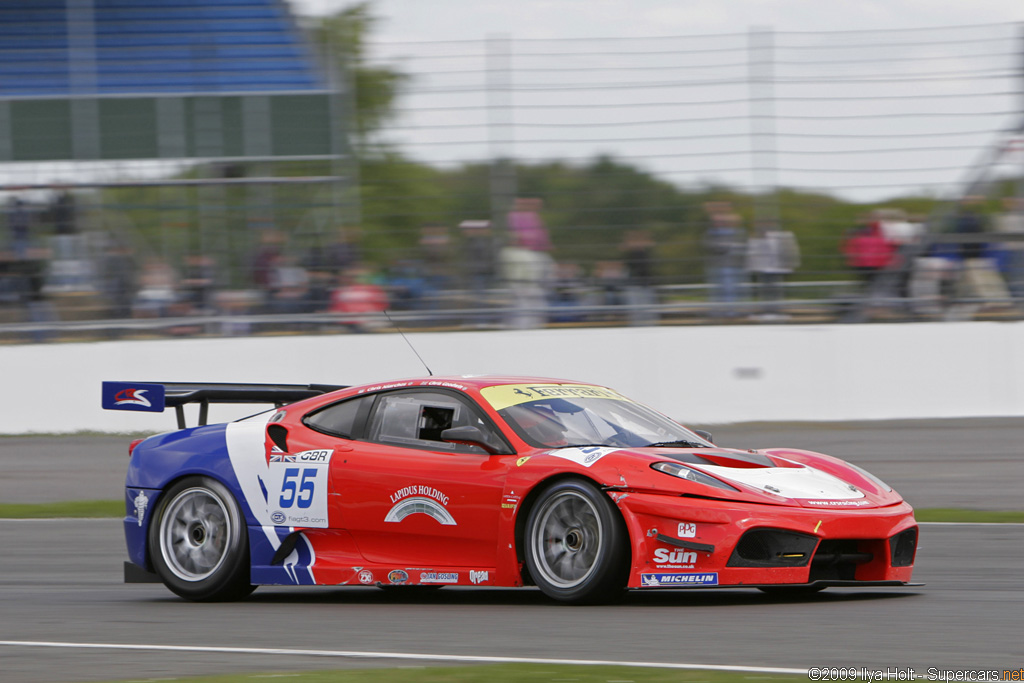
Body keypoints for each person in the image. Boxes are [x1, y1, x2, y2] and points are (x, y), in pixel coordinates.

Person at [746, 221, 800, 319]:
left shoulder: (780, 237)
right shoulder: (757, 238)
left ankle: (775, 310)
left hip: (776, 268)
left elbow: (788, 250)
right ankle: (768, 310)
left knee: (774, 290)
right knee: (766, 291)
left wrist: (788, 264)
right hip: (764, 269)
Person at [703, 210, 746, 318]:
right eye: (715, 221)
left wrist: (725, 247)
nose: (718, 223)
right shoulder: (711, 233)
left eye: (721, 221)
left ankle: (731, 312)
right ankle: (718, 311)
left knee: (730, 289)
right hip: (716, 266)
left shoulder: (738, 232)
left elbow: (740, 246)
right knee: (717, 290)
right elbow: (708, 245)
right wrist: (725, 247)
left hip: (732, 265)